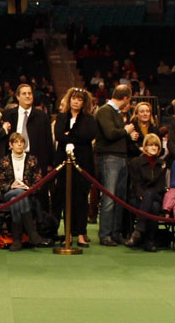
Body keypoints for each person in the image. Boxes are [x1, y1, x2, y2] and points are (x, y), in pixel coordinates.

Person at [53, 87, 97, 248]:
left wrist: (69, 136)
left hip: (83, 163)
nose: (76, 101)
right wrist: (72, 136)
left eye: (80, 99)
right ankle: (68, 234)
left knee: (81, 199)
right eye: (74, 98)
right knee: (67, 200)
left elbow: (88, 135)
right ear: (69, 99)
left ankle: (81, 234)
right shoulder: (62, 116)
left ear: (84, 102)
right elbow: (58, 135)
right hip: (64, 164)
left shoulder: (89, 119)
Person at [94, 83, 136, 246]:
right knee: (109, 197)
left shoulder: (116, 113)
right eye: (129, 100)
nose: (129, 103)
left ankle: (116, 233)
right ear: (126, 98)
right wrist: (126, 131)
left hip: (120, 157)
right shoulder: (105, 111)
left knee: (120, 198)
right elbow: (110, 133)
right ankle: (105, 234)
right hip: (109, 158)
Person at [0, 131, 52, 251]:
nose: (19, 145)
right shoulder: (4, 160)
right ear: (11, 145)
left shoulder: (32, 159)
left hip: (27, 194)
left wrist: (28, 188)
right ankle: (33, 234)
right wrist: (11, 186)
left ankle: (17, 240)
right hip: (9, 192)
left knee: (17, 198)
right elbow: (0, 182)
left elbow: (38, 180)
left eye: (21, 142)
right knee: (17, 194)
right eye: (16, 142)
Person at [126, 133, 168, 252]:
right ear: (145, 147)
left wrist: (145, 195)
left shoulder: (161, 164)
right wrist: (140, 195)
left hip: (156, 196)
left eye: (156, 145)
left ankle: (138, 231)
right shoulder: (136, 162)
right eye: (150, 145)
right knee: (153, 208)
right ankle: (149, 241)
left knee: (150, 195)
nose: (154, 147)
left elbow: (160, 187)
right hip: (138, 197)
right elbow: (136, 183)